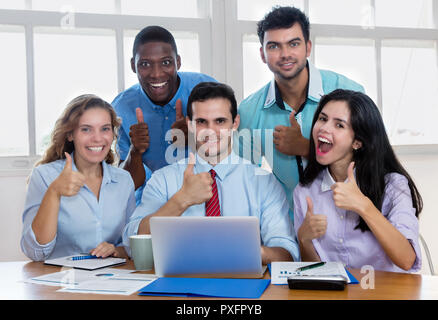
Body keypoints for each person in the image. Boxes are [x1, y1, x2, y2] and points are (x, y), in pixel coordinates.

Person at [123, 82, 300, 264]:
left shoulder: (263, 182)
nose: (210, 131)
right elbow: (132, 243)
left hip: (243, 285)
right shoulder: (164, 179)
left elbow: (287, 252)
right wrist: (182, 200)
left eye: (220, 121)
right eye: (201, 122)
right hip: (177, 286)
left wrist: (245, 252)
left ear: (235, 123)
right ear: (189, 124)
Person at [237, 6, 364, 219]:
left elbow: (371, 160)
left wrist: (307, 148)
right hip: (289, 227)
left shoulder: (351, 93)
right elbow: (245, 180)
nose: (285, 54)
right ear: (262, 53)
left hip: (350, 222)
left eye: (293, 44)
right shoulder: (249, 110)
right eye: (274, 46)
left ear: (308, 47)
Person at [293, 89, 422, 272]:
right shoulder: (305, 191)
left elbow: (407, 260)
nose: (324, 128)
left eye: (339, 125)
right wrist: (304, 240)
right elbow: (315, 273)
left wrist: (364, 206)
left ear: (357, 142)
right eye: (322, 119)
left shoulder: (393, 185)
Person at [21, 94, 136, 261]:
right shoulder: (44, 176)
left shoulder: (123, 180)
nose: (97, 138)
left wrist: (116, 250)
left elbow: (132, 243)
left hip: (111, 279)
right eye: (86, 129)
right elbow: (36, 253)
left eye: (105, 128)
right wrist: (54, 192)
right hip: (60, 280)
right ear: (70, 134)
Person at [112, 26, 216, 202]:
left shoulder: (207, 88)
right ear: (133, 65)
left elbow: (233, 155)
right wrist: (135, 151)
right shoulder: (121, 107)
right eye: (145, 64)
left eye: (166, 62)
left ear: (178, 62)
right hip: (152, 202)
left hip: (207, 200)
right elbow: (128, 184)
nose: (156, 73)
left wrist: (196, 136)